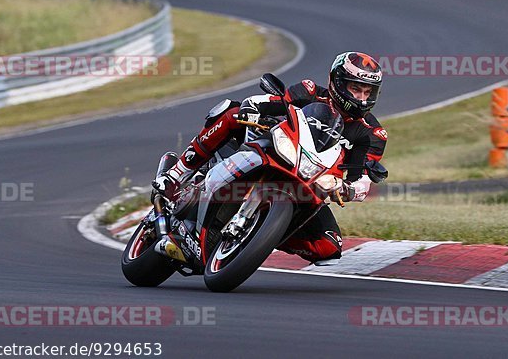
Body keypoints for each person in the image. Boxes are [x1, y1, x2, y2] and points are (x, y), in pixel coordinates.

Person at [153, 51, 387, 265]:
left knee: (329, 247)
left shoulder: (373, 134)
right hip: (275, 149)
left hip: (311, 186)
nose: (362, 97)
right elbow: (272, 102)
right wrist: (253, 107)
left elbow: (363, 176)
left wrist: (349, 189)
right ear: (337, 83)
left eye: (368, 92)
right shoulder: (310, 92)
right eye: (356, 89)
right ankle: (176, 174)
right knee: (232, 113)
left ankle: (261, 233)